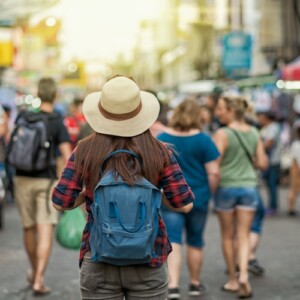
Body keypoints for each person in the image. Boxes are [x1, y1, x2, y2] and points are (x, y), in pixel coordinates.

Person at [52, 75, 194, 300]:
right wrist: (153, 193)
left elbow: (61, 201)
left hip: (99, 259)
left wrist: (89, 194)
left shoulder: (85, 150)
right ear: (139, 111)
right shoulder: (159, 151)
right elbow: (184, 204)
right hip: (149, 259)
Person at [12, 78, 71, 295]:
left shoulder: (24, 115)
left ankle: (34, 270)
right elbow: (67, 156)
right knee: (45, 228)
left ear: (38, 93)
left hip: (20, 178)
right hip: (46, 181)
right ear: (55, 95)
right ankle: (39, 279)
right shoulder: (56, 120)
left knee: (28, 227)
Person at [157, 99, 220, 299]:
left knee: (173, 240)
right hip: (198, 197)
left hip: (170, 198)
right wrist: (210, 193)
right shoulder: (204, 140)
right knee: (195, 241)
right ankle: (194, 283)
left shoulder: (162, 138)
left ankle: (173, 285)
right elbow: (214, 172)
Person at [213, 95, 268, 298]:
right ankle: (244, 274)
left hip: (227, 188)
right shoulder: (254, 131)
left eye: (220, 108)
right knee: (243, 235)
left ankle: (234, 281)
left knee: (228, 236)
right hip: (249, 188)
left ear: (231, 111)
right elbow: (263, 162)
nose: (217, 112)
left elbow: (214, 164)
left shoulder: (222, 133)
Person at [256, 111, 281, 215]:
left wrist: (258, 149)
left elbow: (269, 143)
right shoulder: (265, 128)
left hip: (273, 160)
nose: (259, 119)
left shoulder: (274, 127)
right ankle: (271, 205)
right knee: (268, 184)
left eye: (261, 117)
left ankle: (273, 206)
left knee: (272, 184)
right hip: (266, 159)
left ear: (266, 117)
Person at [287, 122, 300, 216]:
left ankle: (290, 208)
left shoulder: (295, 144)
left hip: (295, 169)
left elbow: (293, 159)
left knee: (293, 189)